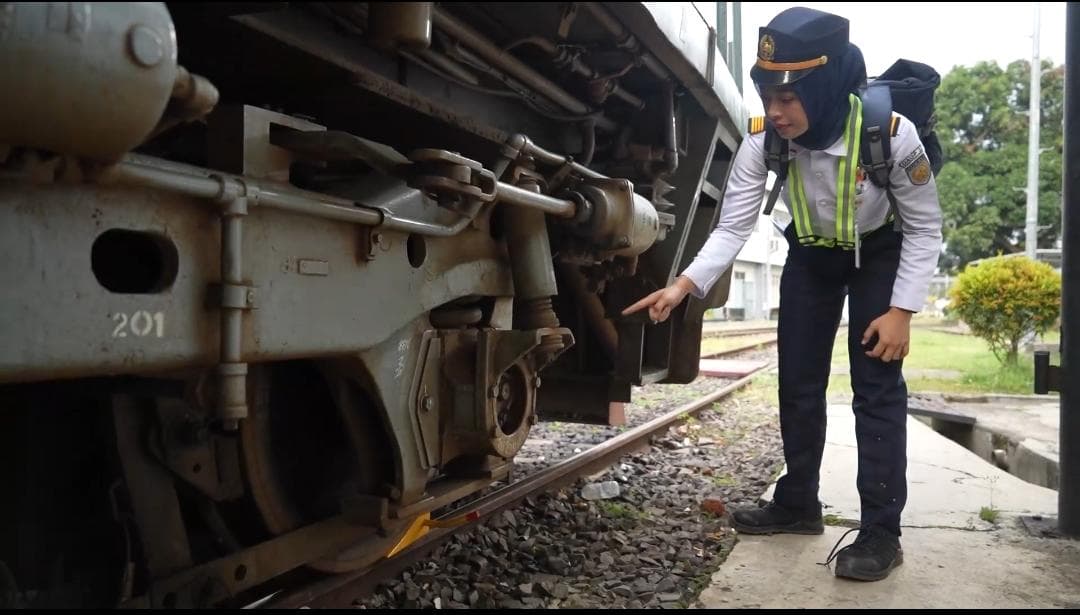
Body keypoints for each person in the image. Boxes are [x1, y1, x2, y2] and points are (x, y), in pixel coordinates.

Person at [622, 7, 942, 582]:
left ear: (824, 88)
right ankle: (798, 503)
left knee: (875, 390)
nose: (775, 109)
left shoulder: (891, 135)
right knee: (796, 381)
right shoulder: (764, 141)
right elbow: (731, 227)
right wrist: (683, 284)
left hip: (878, 256)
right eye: (768, 94)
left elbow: (924, 228)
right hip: (813, 256)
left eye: (789, 97)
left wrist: (901, 311)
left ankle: (880, 533)